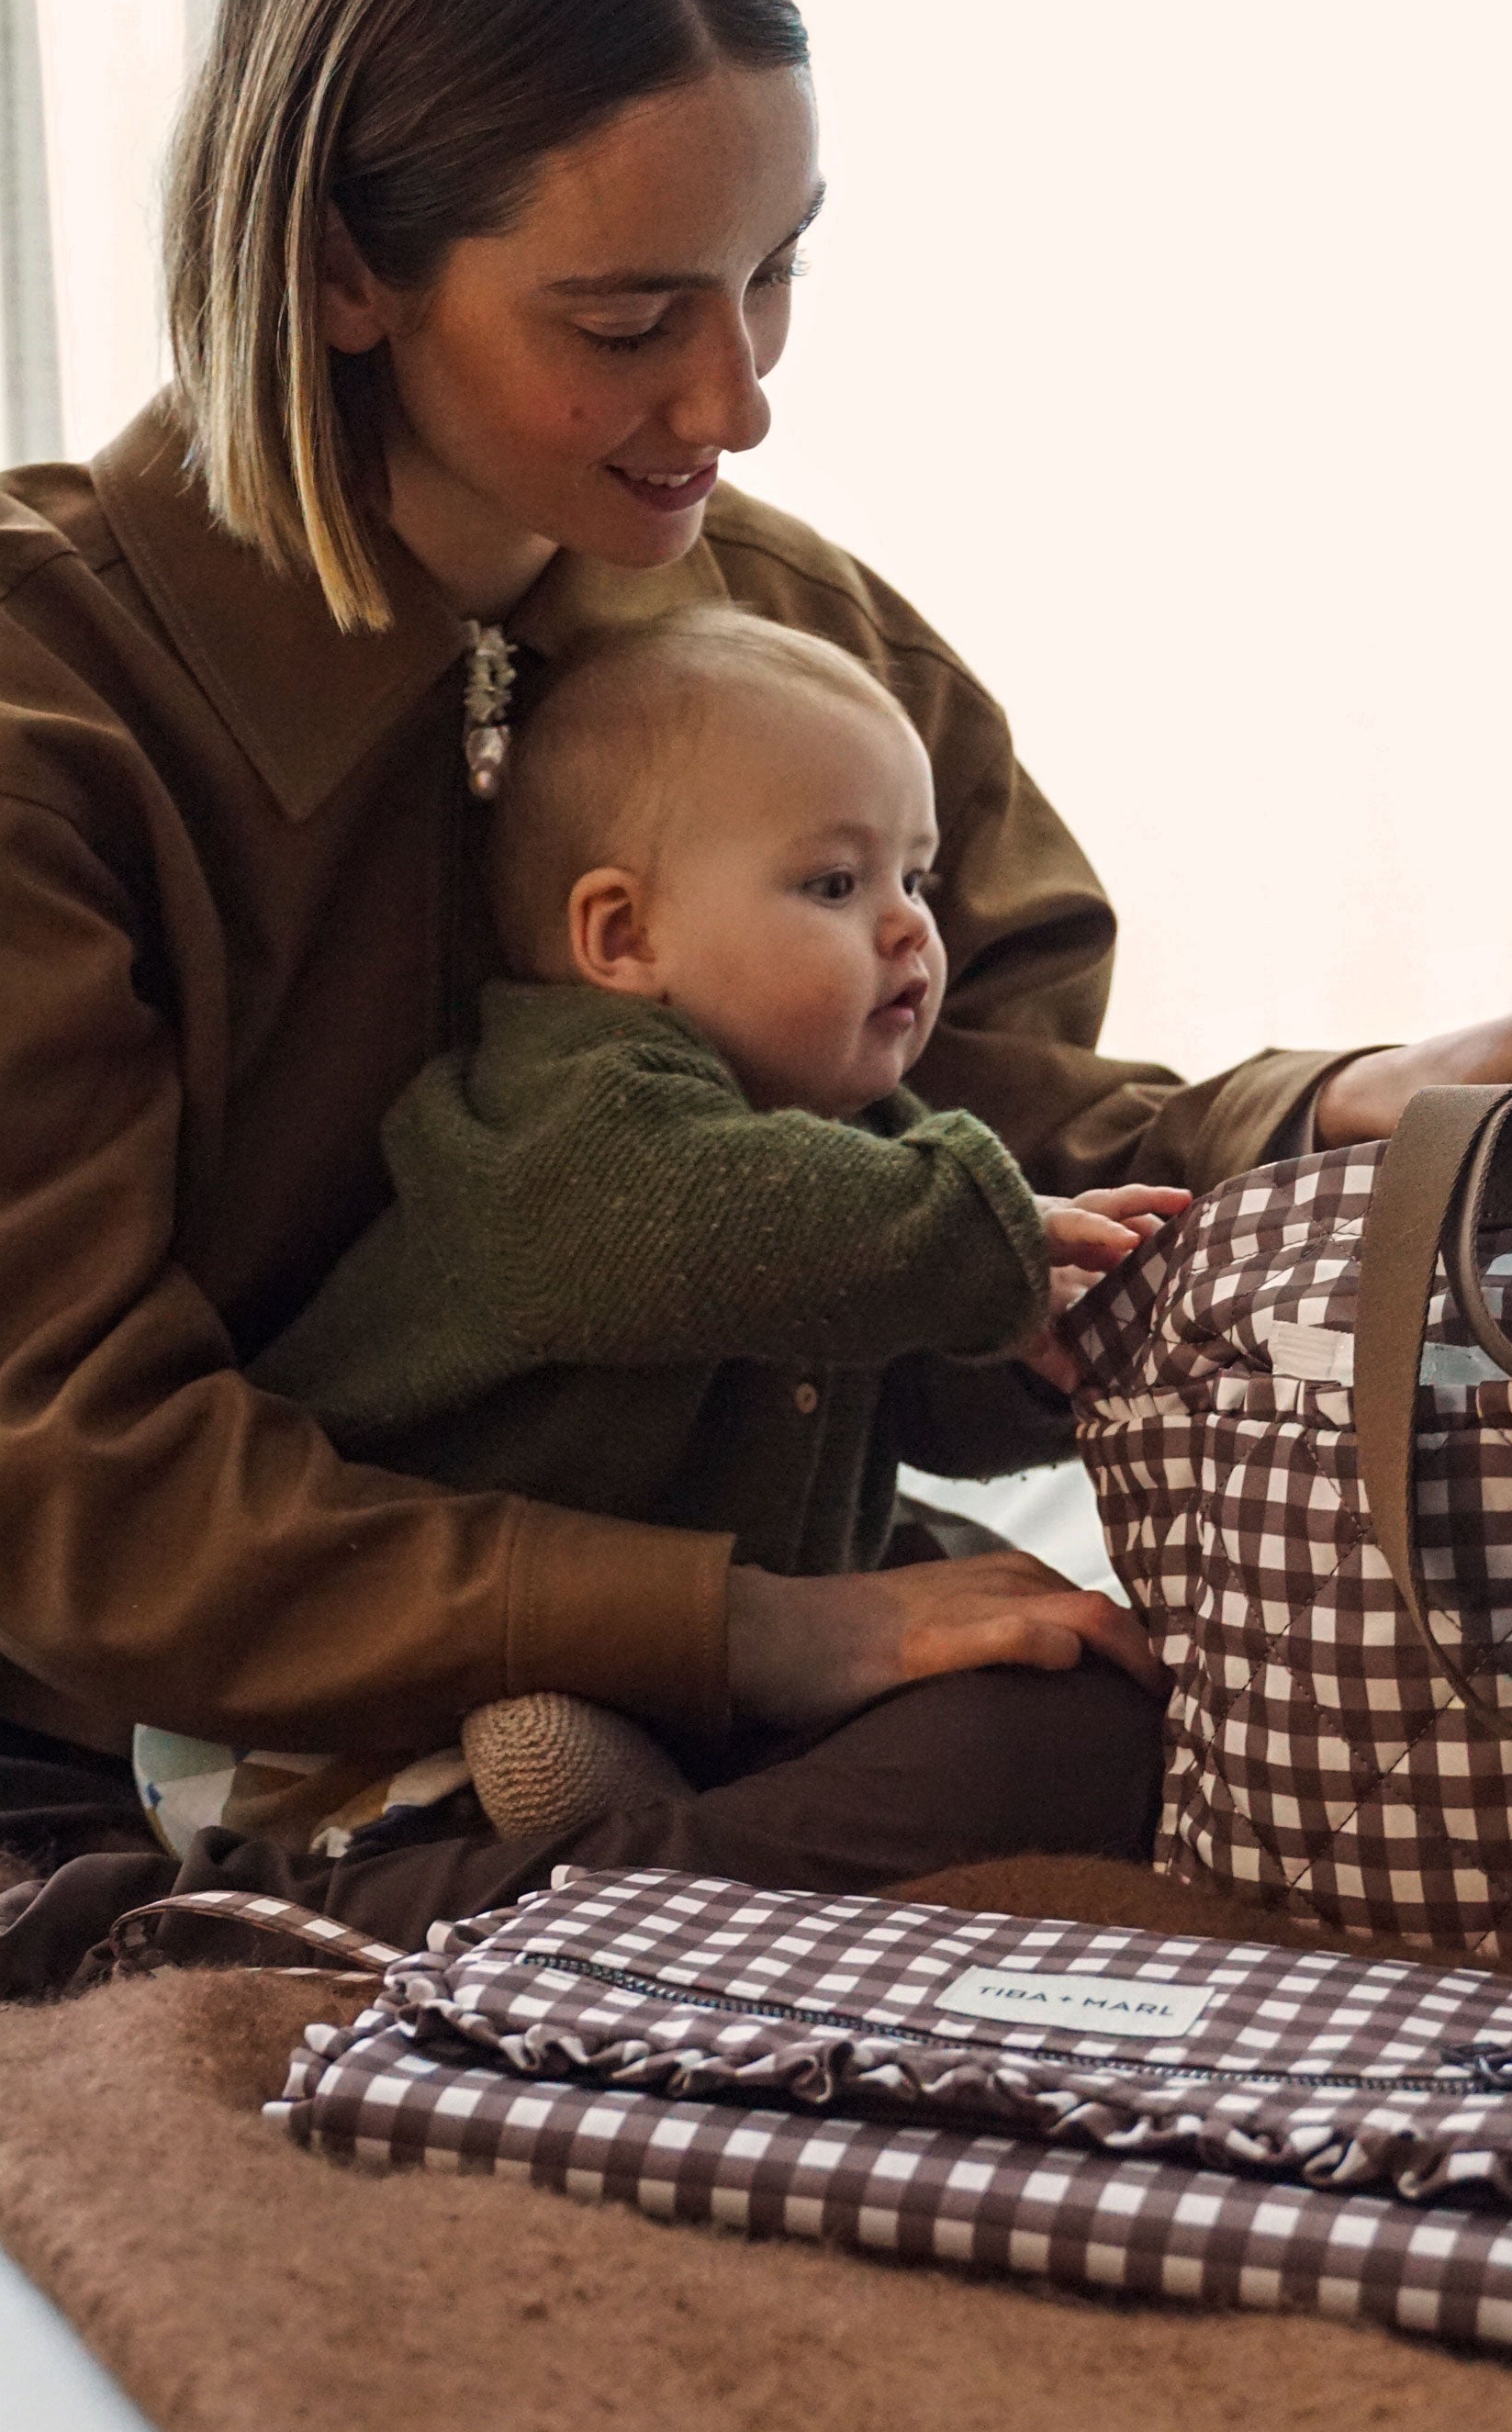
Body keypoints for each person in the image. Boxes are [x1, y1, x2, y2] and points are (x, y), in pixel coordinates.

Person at [0, 0, 1512, 2192]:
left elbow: (955, 1176)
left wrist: (1342, 1106)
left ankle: (415, 1916)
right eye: (630, 319)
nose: (734, 397)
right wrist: (751, 1631)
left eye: (775, 279)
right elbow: (58, 1481)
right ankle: (282, 1920)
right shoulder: (6, 691)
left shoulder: (780, 626)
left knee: (1104, 1717)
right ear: (341, 271)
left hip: (533, 1692)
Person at [139, 604, 1191, 1853]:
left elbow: (902, 1375)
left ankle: (666, 1831)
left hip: (726, 1657)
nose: (911, 927)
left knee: (1076, 1685)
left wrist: (1028, 1354)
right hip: (385, 1676)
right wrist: (987, 1245)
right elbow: (722, 1221)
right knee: (491, 1766)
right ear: (623, 936)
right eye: (836, 884)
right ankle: (556, 1840)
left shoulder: (859, 1141)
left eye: (916, 878)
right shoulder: (565, 1110)